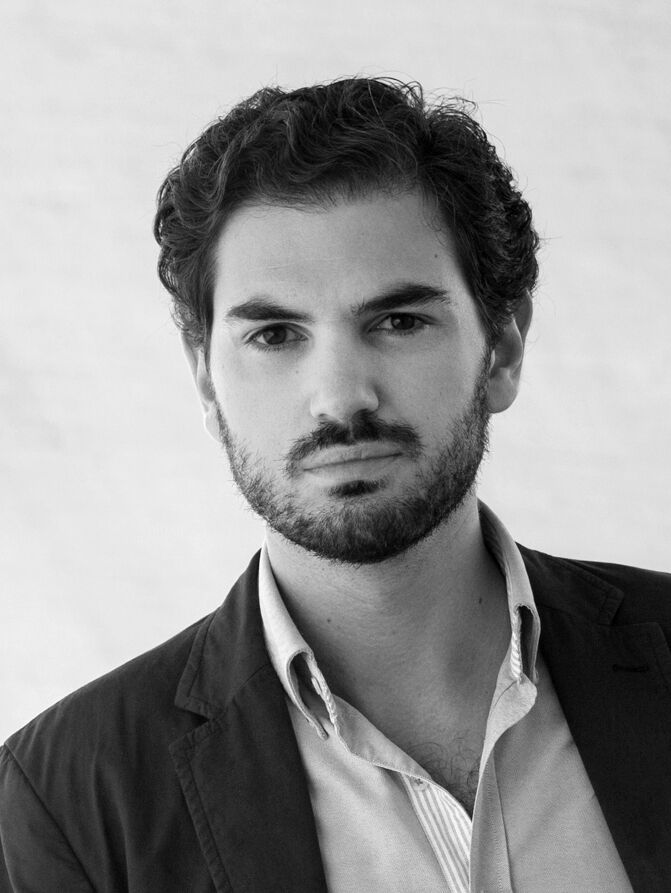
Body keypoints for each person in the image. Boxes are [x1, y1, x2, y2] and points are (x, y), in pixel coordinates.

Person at [0, 77, 669, 893]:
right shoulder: (67, 800)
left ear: (501, 348)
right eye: (275, 334)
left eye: (398, 321)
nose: (341, 396)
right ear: (205, 379)